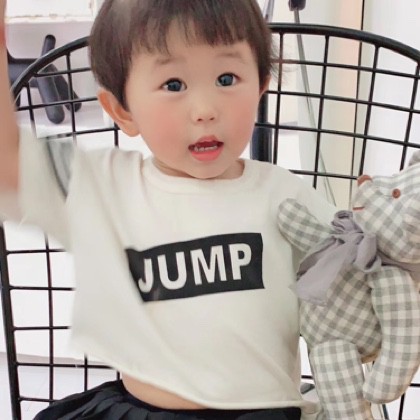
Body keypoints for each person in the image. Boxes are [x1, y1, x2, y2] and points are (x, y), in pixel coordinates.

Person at [0, 1, 336, 419]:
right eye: (173, 84)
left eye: (227, 78)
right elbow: (7, 163)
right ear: (122, 111)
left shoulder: (286, 196)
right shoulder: (104, 187)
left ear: (261, 86)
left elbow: (357, 278)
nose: (205, 110)